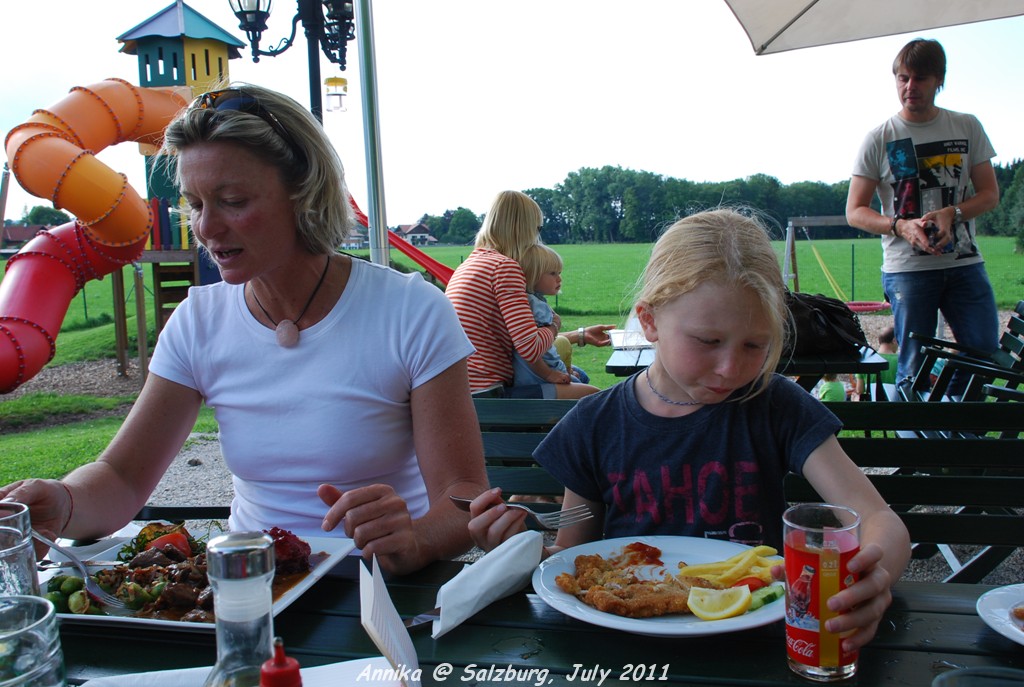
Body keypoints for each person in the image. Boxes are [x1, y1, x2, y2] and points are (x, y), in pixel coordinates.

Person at [0, 84, 488, 576]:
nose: (206, 227)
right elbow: (122, 478)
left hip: (376, 588)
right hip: (249, 590)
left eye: (232, 200)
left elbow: (463, 495)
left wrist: (417, 539)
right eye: (195, 204)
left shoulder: (410, 312)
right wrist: (63, 501)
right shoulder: (197, 322)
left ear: (303, 193)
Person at [468, 208, 911, 652]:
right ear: (650, 321)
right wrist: (515, 548)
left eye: (755, 344)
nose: (730, 368)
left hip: (752, 643)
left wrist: (871, 577)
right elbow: (569, 562)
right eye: (708, 341)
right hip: (628, 649)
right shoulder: (595, 424)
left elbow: (879, 520)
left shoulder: (776, 406)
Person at [846, 38, 1001, 394]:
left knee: (983, 352)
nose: (909, 87)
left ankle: (955, 422)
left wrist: (952, 213)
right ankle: (918, 426)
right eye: (903, 78)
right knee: (914, 365)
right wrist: (899, 226)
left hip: (964, 263)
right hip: (907, 270)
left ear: (939, 80)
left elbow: (990, 194)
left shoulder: (967, 126)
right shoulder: (879, 138)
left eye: (920, 78)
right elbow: (855, 211)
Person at [445, 190, 612, 399]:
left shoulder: (469, 265)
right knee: (595, 398)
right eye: (537, 228)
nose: (537, 238)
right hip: (488, 392)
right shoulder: (504, 268)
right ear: (524, 229)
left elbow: (519, 340)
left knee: (580, 377)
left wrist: (579, 335)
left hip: (462, 387)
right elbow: (530, 348)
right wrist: (554, 325)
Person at [511, 243, 594, 390]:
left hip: (532, 376)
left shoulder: (531, 300)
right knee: (590, 392)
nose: (559, 279)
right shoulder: (535, 306)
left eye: (559, 273)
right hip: (540, 378)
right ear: (533, 275)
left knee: (581, 377)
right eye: (552, 273)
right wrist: (551, 373)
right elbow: (533, 351)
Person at [853, 326, 898, 400]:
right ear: (894, 340)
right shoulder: (900, 362)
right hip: (893, 402)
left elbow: (860, 390)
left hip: (872, 402)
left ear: (879, 340)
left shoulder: (865, 359)